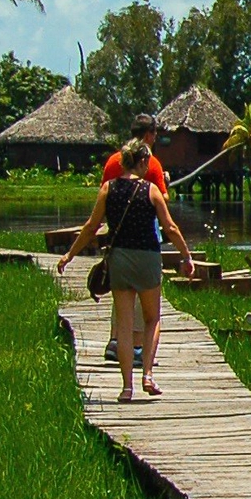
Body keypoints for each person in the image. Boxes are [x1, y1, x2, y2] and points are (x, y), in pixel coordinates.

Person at [57, 138, 196, 403]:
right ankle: (147, 374)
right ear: (143, 161)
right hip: (147, 258)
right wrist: (186, 256)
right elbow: (171, 228)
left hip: (119, 258)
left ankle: (126, 388)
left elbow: (90, 227)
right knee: (152, 318)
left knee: (123, 323)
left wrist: (69, 255)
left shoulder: (108, 189)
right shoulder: (152, 190)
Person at [99, 113, 170, 366]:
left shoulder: (111, 162)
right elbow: (163, 201)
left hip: (117, 238)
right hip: (144, 241)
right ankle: (138, 347)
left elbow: (104, 196)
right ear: (150, 135)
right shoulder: (151, 164)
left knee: (121, 294)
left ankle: (115, 340)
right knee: (142, 299)